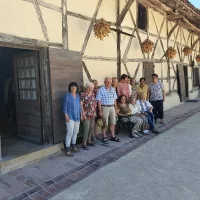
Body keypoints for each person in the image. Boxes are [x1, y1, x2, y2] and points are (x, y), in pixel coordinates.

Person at [96, 77, 120, 144]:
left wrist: (116, 108)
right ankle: (104, 136)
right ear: (104, 82)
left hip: (112, 107)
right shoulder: (101, 89)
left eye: (110, 81)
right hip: (104, 107)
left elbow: (115, 100)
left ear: (111, 82)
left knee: (112, 122)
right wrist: (100, 110)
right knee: (104, 123)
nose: (109, 83)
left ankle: (112, 136)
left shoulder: (113, 89)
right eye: (107, 81)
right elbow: (99, 101)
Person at [63, 82, 83, 156]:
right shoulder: (67, 96)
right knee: (70, 132)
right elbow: (64, 106)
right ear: (70, 88)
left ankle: (73, 146)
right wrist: (66, 115)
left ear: (76, 88)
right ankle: (67, 148)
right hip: (70, 116)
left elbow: (79, 106)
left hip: (77, 116)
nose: (73, 88)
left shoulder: (77, 96)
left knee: (76, 132)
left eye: (75, 87)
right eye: (72, 87)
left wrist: (81, 114)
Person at [81, 82, 97, 150]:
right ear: (86, 87)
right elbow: (81, 105)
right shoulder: (83, 95)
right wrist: (83, 114)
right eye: (89, 87)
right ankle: (84, 143)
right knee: (86, 129)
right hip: (86, 114)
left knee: (91, 128)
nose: (91, 89)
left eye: (92, 88)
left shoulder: (93, 94)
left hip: (93, 113)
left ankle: (89, 141)